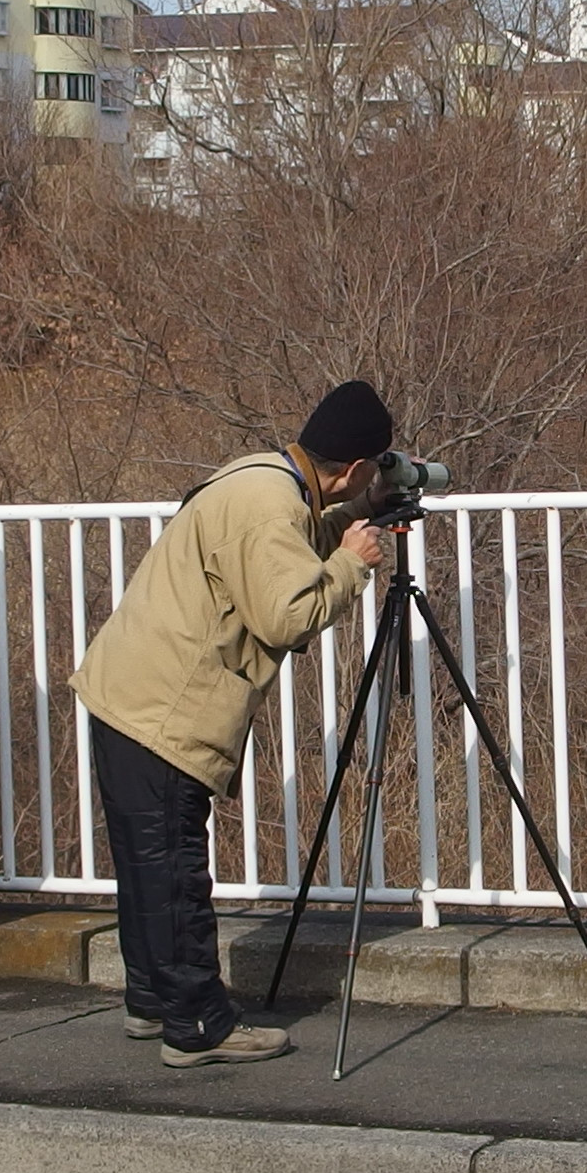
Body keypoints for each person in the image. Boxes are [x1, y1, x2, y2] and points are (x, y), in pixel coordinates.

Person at [71, 380, 395, 1066]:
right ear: (357, 466)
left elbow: (281, 539)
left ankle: (150, 1000)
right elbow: (285, 612)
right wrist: (352, 565)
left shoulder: (258, 475)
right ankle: (197, 1026)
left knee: (146, 867)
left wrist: (349, 517)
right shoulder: (270, 509)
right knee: (175, 871)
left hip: (126, 693)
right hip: (165, 709)